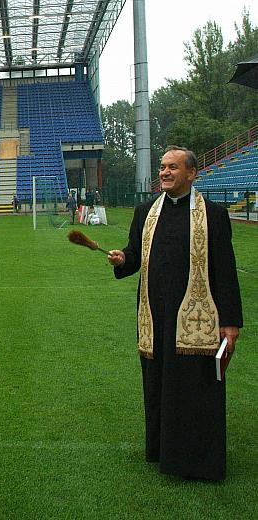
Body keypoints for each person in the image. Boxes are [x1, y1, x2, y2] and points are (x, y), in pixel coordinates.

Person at [107, 145, 242, 481]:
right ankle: (161, 451)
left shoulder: (213, 215)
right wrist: (123, 258)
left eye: (173, 168)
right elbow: (135, 254)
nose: (164, 173)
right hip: (155, 316)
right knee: (158, 385)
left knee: (195, 388)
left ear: (191, 173)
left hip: (197, 319)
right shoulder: (145, 212)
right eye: (163, 167)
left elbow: (225, 270)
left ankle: (198, 461)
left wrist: (230, 324)